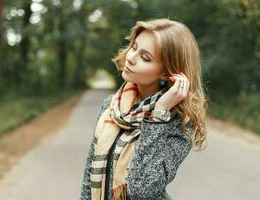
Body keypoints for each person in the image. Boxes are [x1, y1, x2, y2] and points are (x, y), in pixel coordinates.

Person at [79, 18, 208, 200]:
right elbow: (89, 178)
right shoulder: (111, 105)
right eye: (134, 47)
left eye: (145, 57)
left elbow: (142, 189)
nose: (130, 58)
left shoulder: (180, 122)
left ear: (167, 72)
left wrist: (158, 115)